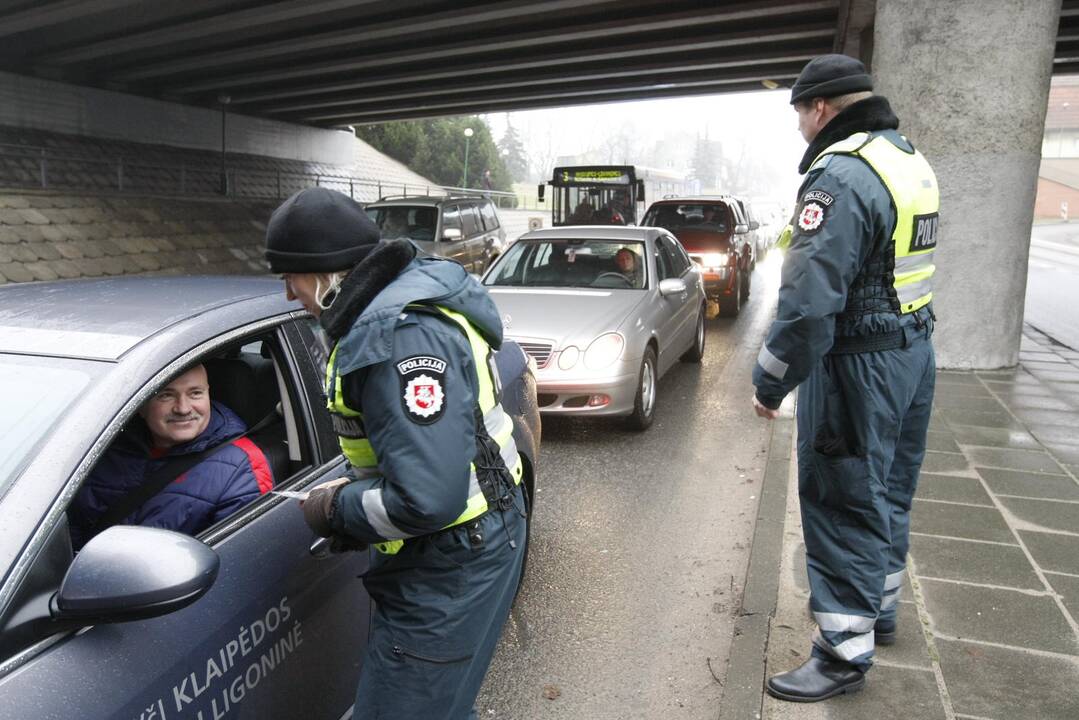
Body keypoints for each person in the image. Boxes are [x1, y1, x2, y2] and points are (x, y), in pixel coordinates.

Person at [263, 187, 526, 720]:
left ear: (325, 272)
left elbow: (427, 498)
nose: (290, 294)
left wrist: (334, 508)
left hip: (451, 560)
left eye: (289, 276)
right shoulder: (390, 311)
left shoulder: (399, 338)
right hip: (463, 545)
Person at [751, 54, 939, 702]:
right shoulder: (905, 159)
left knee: (840, 499)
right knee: (886, 488)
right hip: (912, 353)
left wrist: (768, 380)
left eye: (799, 113)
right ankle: (876, 612)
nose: (800, 127)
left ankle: (840, 652)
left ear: (821, 108)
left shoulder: (841, 176)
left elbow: (805, 307)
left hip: (856, 365)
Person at [68, 363, 274, 550]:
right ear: (141, 406)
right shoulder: (99, 447)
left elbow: (237, 560)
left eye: (195, 393)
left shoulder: (242, 466)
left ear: (208, 395)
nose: (183, 408)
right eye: (166, 395)